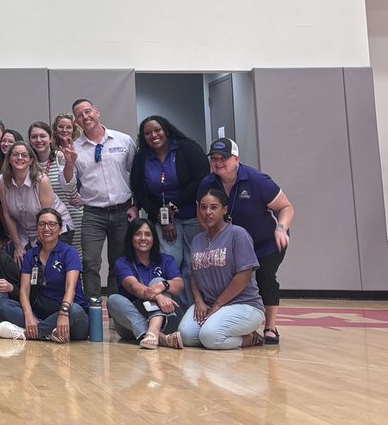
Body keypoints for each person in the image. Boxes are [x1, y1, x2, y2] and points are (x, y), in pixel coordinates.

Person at [197, 139, 293, 344]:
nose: (218, 162)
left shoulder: (258, 180)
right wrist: (210, 236)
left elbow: (286, 207)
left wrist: (281, 228)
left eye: (223, 158)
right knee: (231, 280)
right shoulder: (208, 183)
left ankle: (270, 327)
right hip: (231, 245)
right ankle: (233, 321)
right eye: (214, 158)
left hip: (266, 242)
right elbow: (202, 212)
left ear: (236, 159)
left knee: (265, 277)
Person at [62, 99, 138, 299]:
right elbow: (68, 186)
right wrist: (69, 164)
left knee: (119, 262)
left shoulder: (123, 141)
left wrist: (136, 205)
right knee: (90, 262)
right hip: (93, 214)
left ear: (97, 111)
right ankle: (93, 310)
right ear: (76, 121)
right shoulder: (74, 149)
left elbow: (137, 175)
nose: (85, 117)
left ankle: (116, 309)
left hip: (123, 211)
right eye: (79, 115)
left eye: (88, 112)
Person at [174, 188, 266, 350]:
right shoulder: (197, 240)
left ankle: (250, 338)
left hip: (244, 305)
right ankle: (218, 330)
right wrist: (199, 301)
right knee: (186, 335)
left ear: (224, 210)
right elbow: (193, 275)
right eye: (203, 207)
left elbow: (244, 275)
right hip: (207, 305)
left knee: (210, 336)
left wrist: (217, 305)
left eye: (213, 207)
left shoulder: (238, 234)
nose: (207, 212)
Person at [130, 115, 210, 274]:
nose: (153, 135)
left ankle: (191, 300)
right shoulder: (142, 157)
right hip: (160, 218)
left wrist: (174, 206)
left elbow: (201, 179)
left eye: (157, 130)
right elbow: (139, 189)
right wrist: (162, 217)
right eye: (147, 133)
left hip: (193, 215)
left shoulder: (187, 148)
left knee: (193, 263)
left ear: (166, 130)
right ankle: (170, 299)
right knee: (170, 261)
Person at [0, 207, 89, 343]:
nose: (46, 228)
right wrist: (28, 315)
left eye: (52, 224)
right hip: (41, 313)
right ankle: (46, 331)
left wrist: (63, 313)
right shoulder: (31, 254)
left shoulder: (69, 252)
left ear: (60, 229)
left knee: (74, 310)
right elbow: (24, 289)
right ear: (37, 228)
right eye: (42, 224)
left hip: (70, 314)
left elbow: (71, 287)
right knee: (3, 304)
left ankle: (28, 333)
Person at [107, 216, 185, 349]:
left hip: (166, 318)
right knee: (113, 299)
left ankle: (153, 332)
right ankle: (158, 336)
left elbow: (179, 284)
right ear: (131, 238)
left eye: (148, 234)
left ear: (154, 239)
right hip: (131, 324)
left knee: (158, 281)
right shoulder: (122, 262)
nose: (143, 238)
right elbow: (133, 286)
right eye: (138, 234)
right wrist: (158, 295)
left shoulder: (167, 260)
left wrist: (163, 285)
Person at [0, 141, 71, 254]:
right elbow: (7, 214)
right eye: (15, 154)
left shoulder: (41, 180)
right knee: (19, 261)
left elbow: (48, 216)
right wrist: (17, 246)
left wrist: (42, 249)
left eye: (24, 155)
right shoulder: (2, 181)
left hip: (52, 229)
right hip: (24, 233)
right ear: (9, 159)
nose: (19, 158)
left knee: (46, 265)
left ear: (31, 160)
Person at [29, 121, 82, 250]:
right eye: (34, 137)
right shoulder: (28, 164)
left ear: (51, 138)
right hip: (49, 222)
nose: (38, 140)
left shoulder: (62, 157)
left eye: (43, 136)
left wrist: (86, 198)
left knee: (77, 256)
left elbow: (75, 181)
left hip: (72, 213)